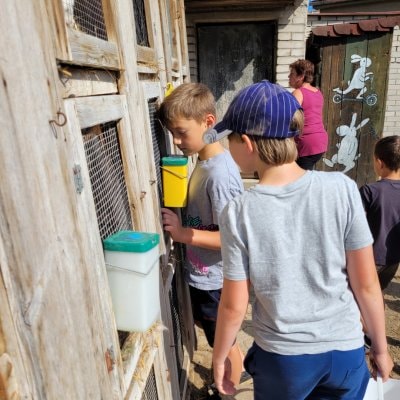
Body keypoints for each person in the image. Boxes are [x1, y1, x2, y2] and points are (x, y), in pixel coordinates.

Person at [204, 80, 393, 399]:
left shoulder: (238, 211)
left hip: (284, 359)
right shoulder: (342, 188)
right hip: (345, 352)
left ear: (247, 143)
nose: (227, 149)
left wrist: (220, 356)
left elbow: (234, 304)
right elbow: (366, 284)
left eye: (229, 140)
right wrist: (381, 348)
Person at [158, 82, 246, 398]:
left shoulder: (220, 175)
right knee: (219, 338)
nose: (176, 141)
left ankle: (228, 392)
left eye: (181, 132)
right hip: (205, 274)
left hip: (216, 280)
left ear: (208, 122)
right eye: (172, 133)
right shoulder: (204, 162)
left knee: (225, 342)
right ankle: (229, 379)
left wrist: (183, 233)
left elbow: (232, 238)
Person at [359, 135, 400, 292]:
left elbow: (356, 225)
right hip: (394, 258)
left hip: (370, 257)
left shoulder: (370, 191)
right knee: (377, 291)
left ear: (379, 163)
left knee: (361, 294)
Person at [289, 59, 328, 170]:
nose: (289, 76)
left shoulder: (298, 92)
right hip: (320, 141)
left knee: (300, 177)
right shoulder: (317, 92)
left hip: (307, 143)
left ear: (301, 76)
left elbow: (291, 118)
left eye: (292, 74)